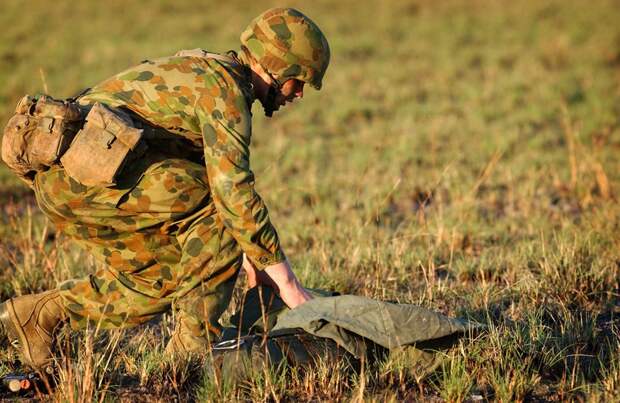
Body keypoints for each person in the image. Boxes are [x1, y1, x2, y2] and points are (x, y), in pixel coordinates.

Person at [0, 7, 330, 371]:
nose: (298, 94)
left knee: (159, 280)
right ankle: (190, 357)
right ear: (277, 65)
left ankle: (38, 316)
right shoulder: (225, 91)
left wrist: (257, 255)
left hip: (68, 187)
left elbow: (212, 172)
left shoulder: (206, 71)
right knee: (218, 213)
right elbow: (231, 191)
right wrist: (289, 285)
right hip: (89, 180)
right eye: (299, 81)